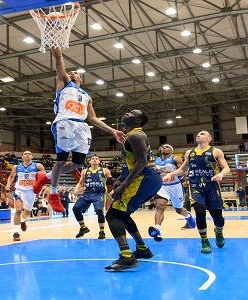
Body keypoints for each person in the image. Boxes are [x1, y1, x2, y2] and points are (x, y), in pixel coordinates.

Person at [32, 47, 125, 213]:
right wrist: (57, 53)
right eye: (71, 72)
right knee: (61, 161)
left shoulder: (87, 96)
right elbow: (59, 62)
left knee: (77, 163)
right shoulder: (63, 83)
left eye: (76, 73)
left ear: (81, 78)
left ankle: (44, 177)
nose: (73, 74)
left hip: (82, 126)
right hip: (64, 122)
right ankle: (53, 194)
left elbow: (93, 118)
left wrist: (112, 131)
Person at [104, 110, 162, 271]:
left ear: (137, 120)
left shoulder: (135, 136)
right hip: (146, 178)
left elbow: (142, 162)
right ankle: (142, 249)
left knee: (113, 215)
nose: (125, 113)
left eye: (131, 113)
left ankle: (127, 257)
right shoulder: (131, 135)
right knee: (123, 214)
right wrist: (120, 180)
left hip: (144, 178)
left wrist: (124, 185)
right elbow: (131, 162)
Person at [163, 130, 231, 254]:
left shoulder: (216, 151)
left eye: (202, 134)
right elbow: (183, 169)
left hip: (211, 186)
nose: (199, 135)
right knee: (199, 212)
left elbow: (226, 167)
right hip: (195, 187)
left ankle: (219, 231)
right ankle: (204, 240)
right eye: (198, 134)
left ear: (209, 138)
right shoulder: (190, 153)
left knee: (217, 216)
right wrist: (171, 173)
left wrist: (220, 174)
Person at [148, 144, 196, 242]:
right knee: (160, 206)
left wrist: (168, 172)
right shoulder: (155, 161)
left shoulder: (175, 159)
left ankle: (188, 216)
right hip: (162, 186)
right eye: (163, 147)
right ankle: (157, 229)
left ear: (172, 150)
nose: (165, 148)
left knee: (179, 210)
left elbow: (183, 171)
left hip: (175, 186)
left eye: (167, 147)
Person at [5, 151, 46, 242]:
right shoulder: (16, 167)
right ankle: (16, 233)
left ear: (31, 157)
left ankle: (23, 221)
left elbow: (43, 178)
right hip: (19, 190)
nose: (27, 154)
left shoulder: (38, 166)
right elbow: (11, 176)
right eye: (25, 154)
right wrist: (8, 184)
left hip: (31, 191)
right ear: (22, 157)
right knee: (19, 210)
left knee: (27, 213)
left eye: (29, 153)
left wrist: (39, 186)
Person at [71, 155, 113, 240]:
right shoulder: (84, 171)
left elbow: (112, 181)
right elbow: (80, 182)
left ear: (99, 161)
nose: (94, 160)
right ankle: (83, 228)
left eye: (96, 159)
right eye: (92, 159)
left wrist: (113, 189)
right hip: (87, 193)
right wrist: (76, 189)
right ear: (90, 162)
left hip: (99, 193)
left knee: (99, 210)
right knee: (75, 208)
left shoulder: (105, 170)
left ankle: (102, 231)